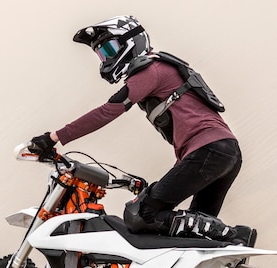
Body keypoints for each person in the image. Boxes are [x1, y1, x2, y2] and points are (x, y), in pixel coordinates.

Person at [28, 15, 256, 247]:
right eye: (101, 53)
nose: (106, 57)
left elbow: (108, 111)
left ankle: (236, 234)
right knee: (197, 237)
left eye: (110, 48)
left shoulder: (150, 70)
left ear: (131, 40)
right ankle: (223, 265)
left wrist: (53, 137)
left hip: (209, 152)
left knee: (141, 213)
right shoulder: (160, 68)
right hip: (223, 152)